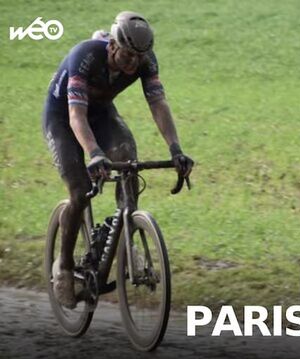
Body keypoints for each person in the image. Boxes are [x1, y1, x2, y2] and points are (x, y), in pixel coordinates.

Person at [42, 11, 194, 308]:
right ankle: (63, 267)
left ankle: (125, 237)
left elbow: (158, 103)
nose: (133, 63)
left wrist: (175, 148)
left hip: (100, 114)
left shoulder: (145, 61)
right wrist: (95, 153)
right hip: (62, 118)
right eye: (127, 55)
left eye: (139, 57)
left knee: (128, 163)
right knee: (80, 191)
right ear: (112, 45)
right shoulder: (85, 56)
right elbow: (76, 116)